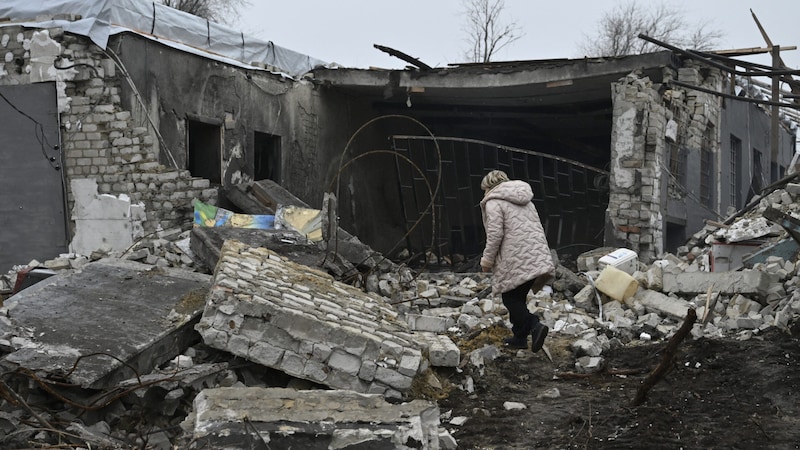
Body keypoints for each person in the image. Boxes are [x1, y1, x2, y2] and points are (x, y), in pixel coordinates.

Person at [479, 170, 555, 352]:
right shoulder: (526, 200)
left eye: (484, 189)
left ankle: (534, 326)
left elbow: (495, 234)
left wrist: (487, 260)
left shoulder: (493, 202)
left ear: (489, 187)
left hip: (516, 258)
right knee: (518, 297)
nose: (484, 194)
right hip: (535, 255)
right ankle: (520, 338)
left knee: (510, 299)